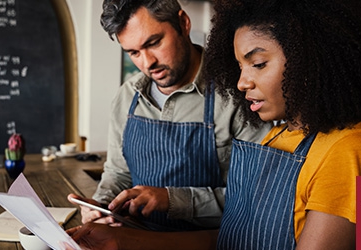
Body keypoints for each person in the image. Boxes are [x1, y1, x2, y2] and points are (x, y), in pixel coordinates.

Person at [66, 0, 361, 249]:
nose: (240, 84)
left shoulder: (348, 147)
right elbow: (230, 238)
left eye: (257, 63)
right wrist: (123, 241)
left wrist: (171, 203)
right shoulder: (281, 136)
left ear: (310, 57)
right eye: (239, 66)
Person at [67, 0, 271, 232]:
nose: (147, 63)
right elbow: (118, 173)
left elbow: (259, 195)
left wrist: (173, 199)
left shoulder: (239, 94)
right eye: (133, 53)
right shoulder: (127, 96)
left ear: (183, 23)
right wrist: (101, 205)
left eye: (154, 43)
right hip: (137, 239)